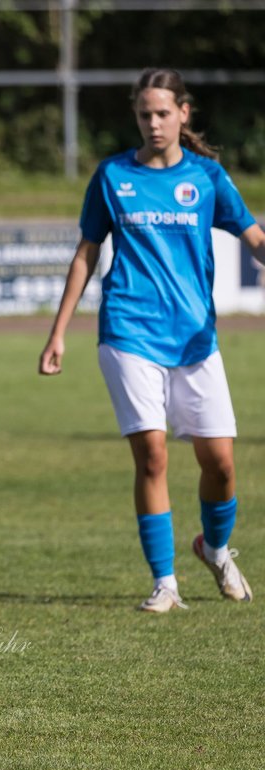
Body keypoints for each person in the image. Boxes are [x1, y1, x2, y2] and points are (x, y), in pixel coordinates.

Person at [39, 68, 265, 613]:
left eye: (164, 113)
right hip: (127, 330)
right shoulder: (113, 176)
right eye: (145, 114)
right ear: (136, 116)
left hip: (195, 340)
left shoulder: (208, 178)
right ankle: (165, 583)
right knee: (154, 456)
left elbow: (253, 236)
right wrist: (59, 332)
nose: (154, 123)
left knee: (221, 465)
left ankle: (212, 549)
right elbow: (86, 252)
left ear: (184, 113)